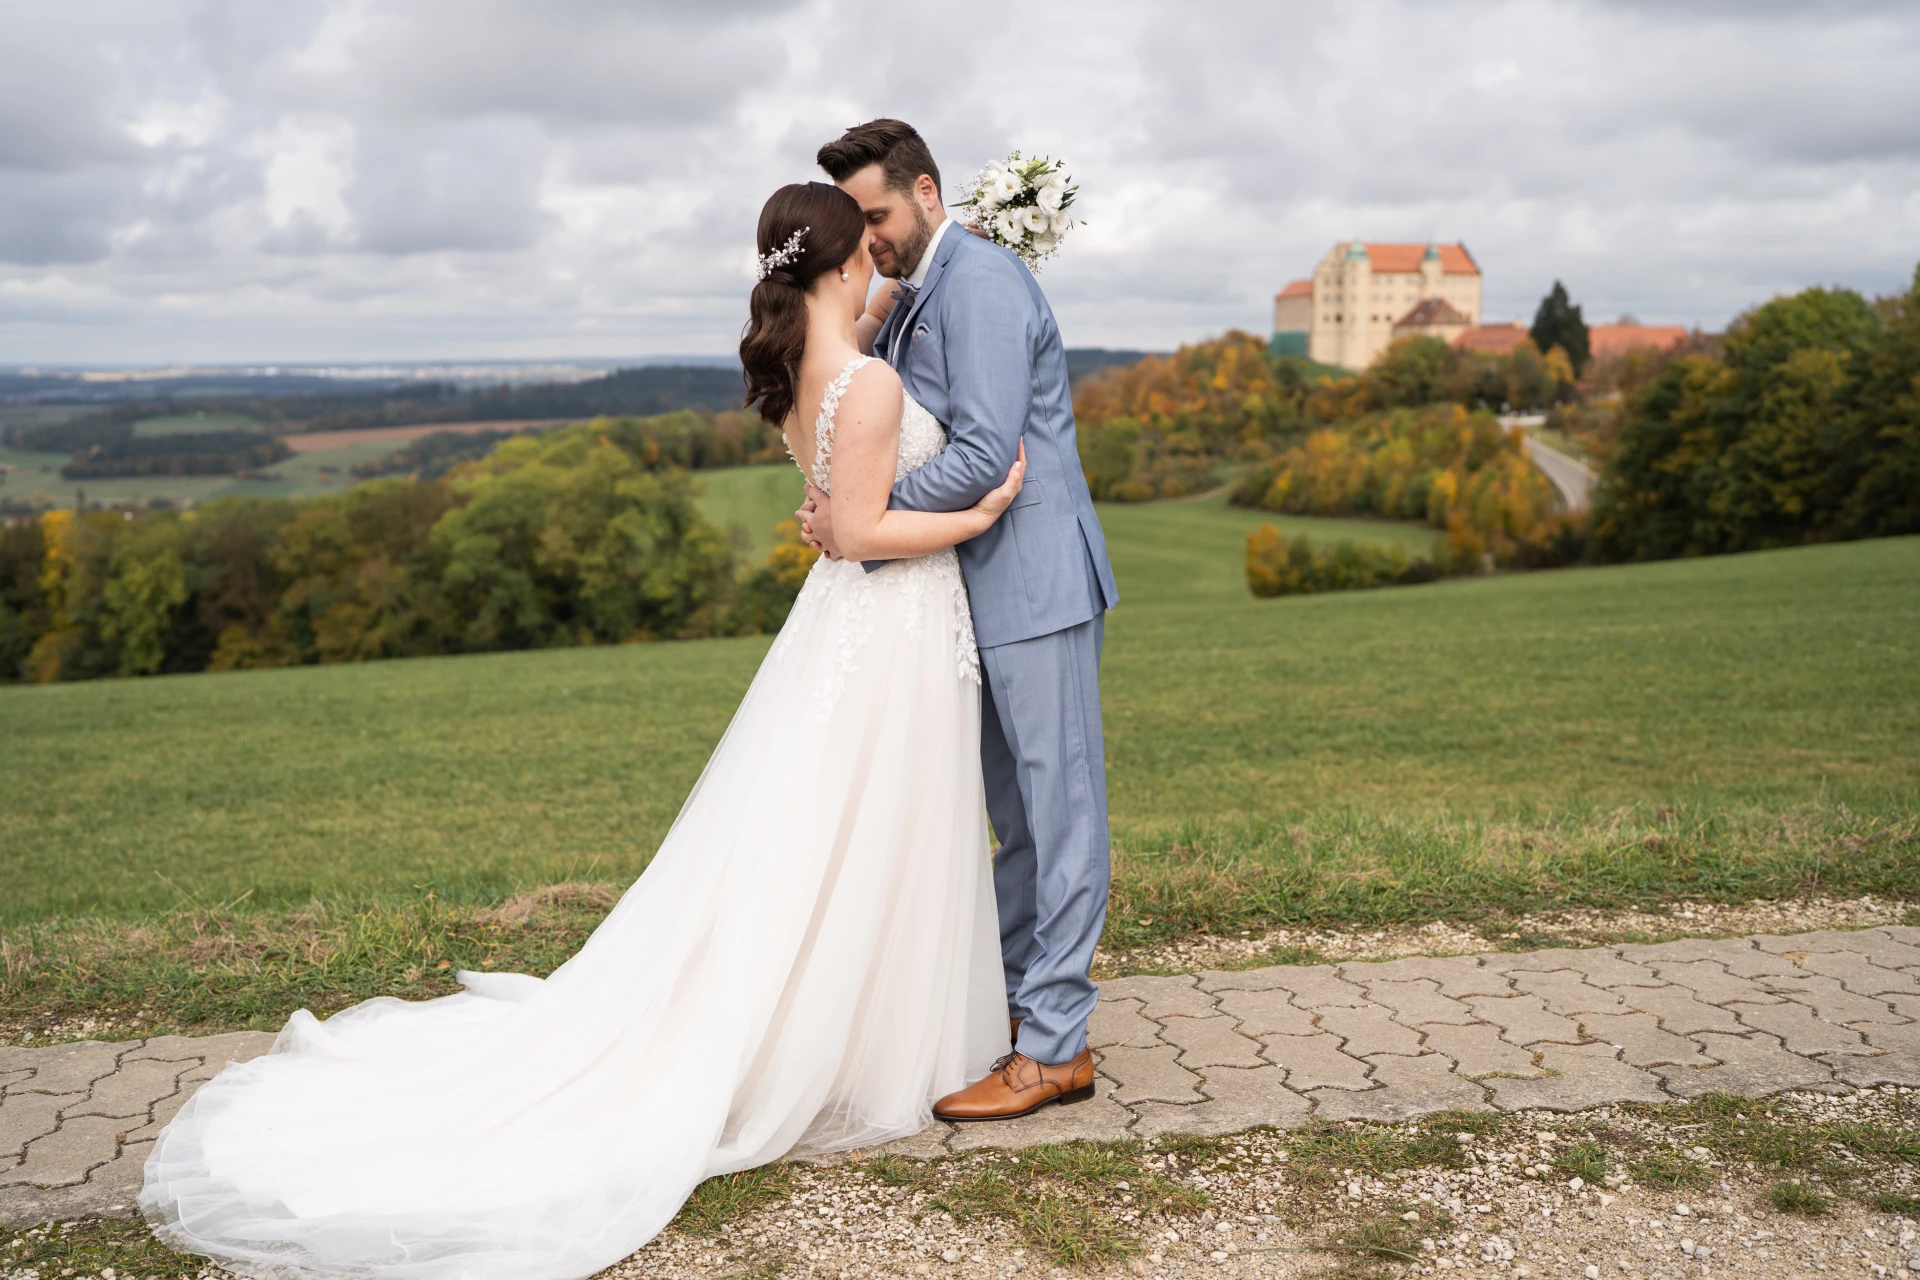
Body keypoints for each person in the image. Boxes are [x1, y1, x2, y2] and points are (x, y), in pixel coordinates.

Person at [138, 179, 1028, 1280]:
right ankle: (851, 1040)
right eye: (873, 254)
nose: (886, 264)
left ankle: (840, 1022)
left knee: (821, 828)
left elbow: (832, 496)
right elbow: (856, 528)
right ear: (848, 264)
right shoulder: (873, 379)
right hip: (885, 622)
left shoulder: (809, 365)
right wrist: (981, 509)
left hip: (849, 632)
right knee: (869, 821)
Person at [804, 119, 1120, 1122]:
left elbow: (986, 452)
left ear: (927, 192)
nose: (868, 237)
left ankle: (1056, 1047)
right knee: (1015, 819)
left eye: (878, 215)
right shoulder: (919, 290)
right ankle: (1029, 1012)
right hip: (966, 594)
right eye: (854, 221)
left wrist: (863, 522)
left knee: (1057, 812)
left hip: (1032, 584)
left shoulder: (976, 282)